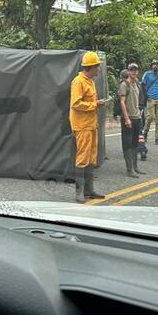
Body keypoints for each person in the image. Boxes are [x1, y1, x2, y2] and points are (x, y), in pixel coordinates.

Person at [70, 51, 106, 203]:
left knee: (91, 158)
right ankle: (79, 192)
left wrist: (96, 103)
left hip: (91, 124)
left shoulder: (90, 81)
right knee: (82, 158)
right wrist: (94, 104)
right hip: (82, 125)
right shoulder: (78, 82)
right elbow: (76, 103)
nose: (99, 70)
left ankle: (89, 189)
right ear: (90, 67)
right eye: (97, 67)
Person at [119, 63, 146, 178]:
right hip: (128, 118)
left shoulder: (137, 84)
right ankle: (129, 169)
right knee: (127, 144)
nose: (133, 72)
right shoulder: (124, 85)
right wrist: (126, 118)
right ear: (128, 71)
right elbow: (122, 102)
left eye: (135, 70)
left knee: (135, 143)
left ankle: (135, 167)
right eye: (131, 70)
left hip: (137, 117)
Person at [141, 60, 158, 145]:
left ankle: (157, 138)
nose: (155, 66)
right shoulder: (147, 74)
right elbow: (142, 85)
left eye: (157, 65)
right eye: (154, 65)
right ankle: (145, 133)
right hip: (150, 99)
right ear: (151, 66)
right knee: (150, 117)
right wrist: (146, 96)